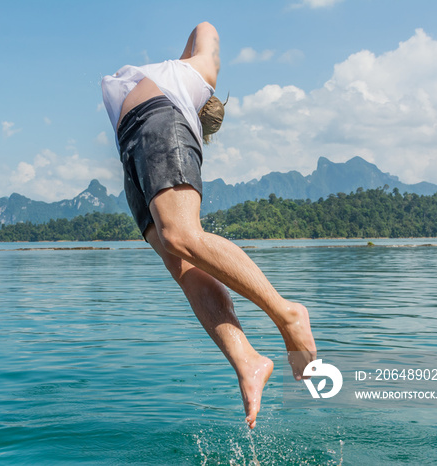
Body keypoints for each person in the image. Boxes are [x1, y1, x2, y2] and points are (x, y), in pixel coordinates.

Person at [101, 22, 316, 429]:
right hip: (131, 141)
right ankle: (247, 359)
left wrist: (180, 59)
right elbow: (207, 27)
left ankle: (286, 313)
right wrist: (183, 60)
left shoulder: (189, 77)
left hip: (151, 123)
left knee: (180, 235)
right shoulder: (195, 70)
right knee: (180, 264)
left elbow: (202, 28)